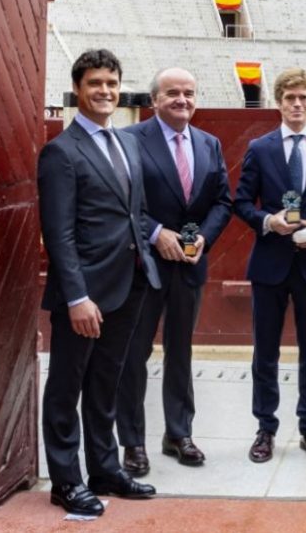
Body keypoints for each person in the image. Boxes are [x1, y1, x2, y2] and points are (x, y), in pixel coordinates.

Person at [38, 49, 161, 516]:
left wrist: (147, 255)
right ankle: (66, 481)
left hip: (130, 283)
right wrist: (76, 296)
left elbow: (137, 214)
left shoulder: (127, 142)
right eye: (95, 84)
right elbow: (59, 233)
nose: (105, 91)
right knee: (68, 385)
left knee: (107, 381)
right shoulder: (60, 152)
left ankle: (105, 469)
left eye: (111, 83)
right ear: (78, 90)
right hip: (85, 294)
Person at [116, 68, 233, 476]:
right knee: (135, 354)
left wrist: (204, 238)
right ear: (154, 100)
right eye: (172, 93)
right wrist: (155, 233)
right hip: (144, 266)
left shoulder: (209, 143)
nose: (182, 99)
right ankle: (132, 442)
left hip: (189, 265)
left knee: (181, 352)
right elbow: (122, 200)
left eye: (189, 92)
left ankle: (178, 434)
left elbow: (223, 201)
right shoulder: (130, 140)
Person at [234, 68, 306, 464]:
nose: (296, 105)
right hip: (270, 264)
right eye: (289, 98)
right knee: (265, 351)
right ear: (278, 103)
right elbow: (242, 202)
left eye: (303, 98)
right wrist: (268, 221)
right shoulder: (260, 148)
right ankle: (265, 427)